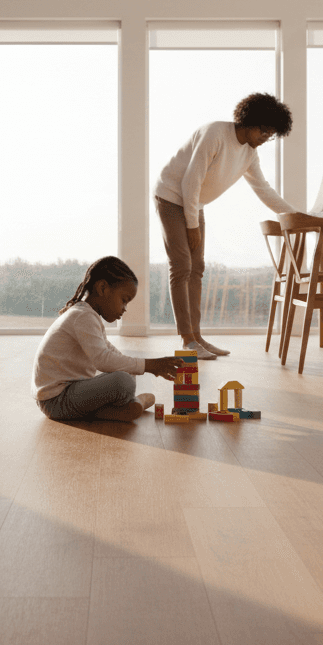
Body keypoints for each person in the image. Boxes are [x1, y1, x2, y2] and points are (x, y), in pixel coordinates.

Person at [154, 92, 296, 359]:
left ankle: (197, 337)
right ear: (248, 120)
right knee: (182, 265)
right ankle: (187, 341)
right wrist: (192, 225)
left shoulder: (250, 154)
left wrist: (294, 214)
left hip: (195, 204)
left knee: (198, 268)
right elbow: (190, 181)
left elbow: (263, 188)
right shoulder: (215, 133)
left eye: (271, 134)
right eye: (264, 131)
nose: (266, 138)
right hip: (172, 196)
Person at [33, 256, 183, 421]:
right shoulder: (83, 316)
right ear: (103, 288)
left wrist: (135, 367)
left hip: (63, 396)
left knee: (127, 373)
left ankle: (111, 411)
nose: (124, 309)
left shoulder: (87, 315)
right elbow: (103, 360)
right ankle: (133, 404)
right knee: (123, 381)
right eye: (124, 300)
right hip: (56, 400)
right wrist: (150, 365)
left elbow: (112, 353)